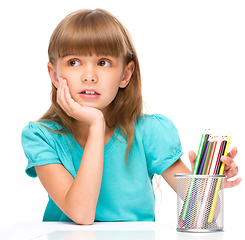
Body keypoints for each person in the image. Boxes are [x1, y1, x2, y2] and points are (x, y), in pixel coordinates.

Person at [21, 9, 241, 225]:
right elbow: (82, 214)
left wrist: (208, 183)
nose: (89, 76)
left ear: (125, 75)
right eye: (74, 62)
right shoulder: (41, 136)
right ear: (54, 74)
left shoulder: (149, 132)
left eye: (103, 62)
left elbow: (205, 212)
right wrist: (96, 124)